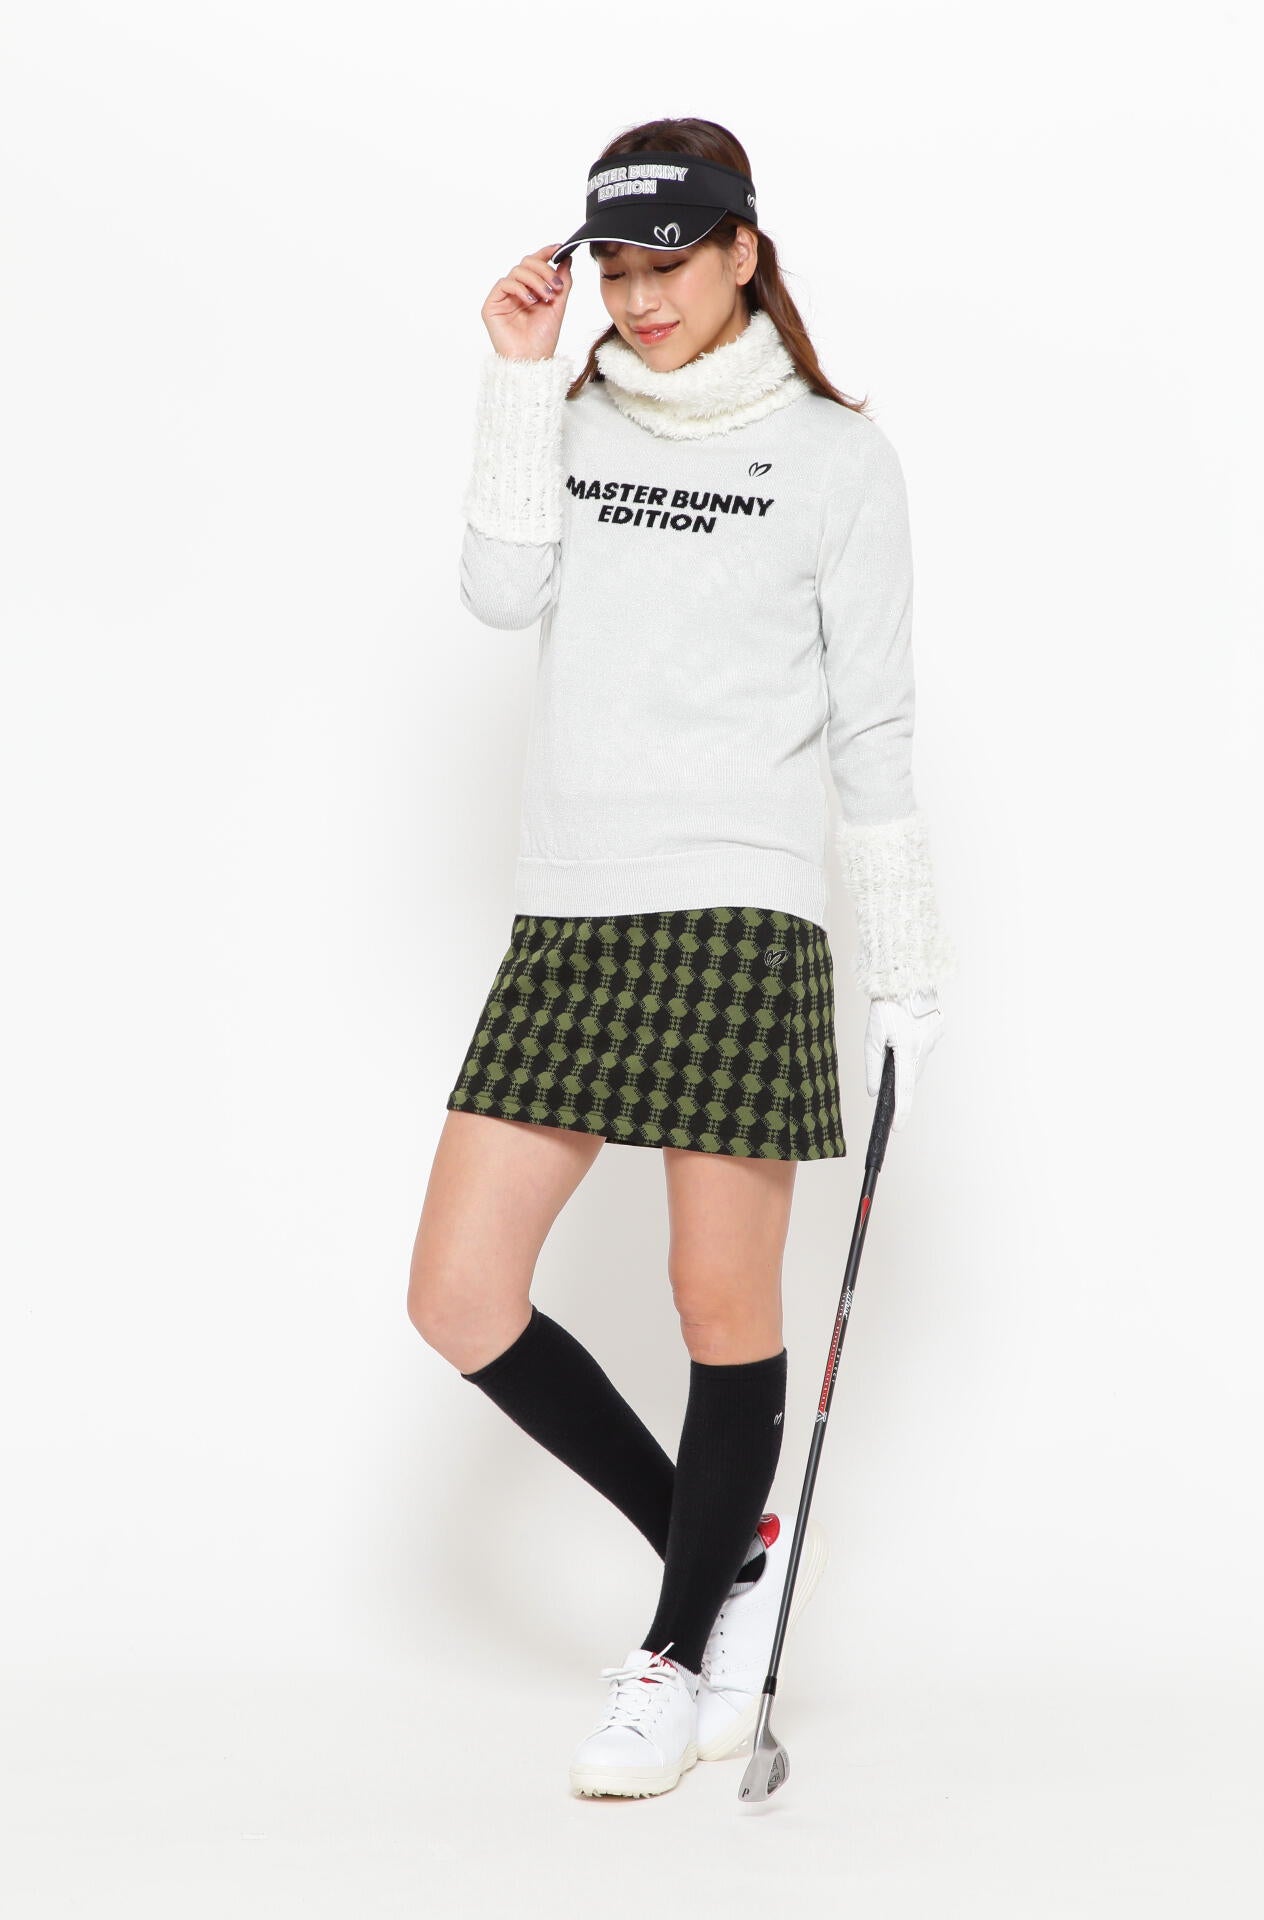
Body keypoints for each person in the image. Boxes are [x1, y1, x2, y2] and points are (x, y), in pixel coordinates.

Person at [407, 118, 957, 1800]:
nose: (642, 300)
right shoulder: (570, 421)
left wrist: (906, 969)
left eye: (673, 263)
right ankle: (725, 1557)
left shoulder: (838, 461)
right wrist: (517, 376)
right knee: (458, 1296)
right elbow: (500, 592)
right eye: (617, 271)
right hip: (572, 913)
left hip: (739, 910)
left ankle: (669, 1655)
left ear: (742, 254)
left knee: (719, 1305)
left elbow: (873, 726)